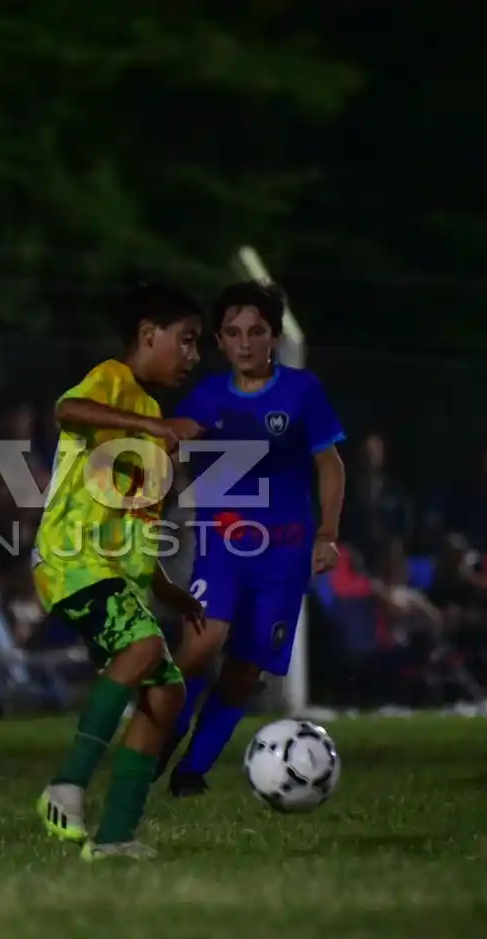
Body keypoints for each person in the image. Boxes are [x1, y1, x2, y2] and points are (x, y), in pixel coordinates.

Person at [32, 281, 207, 861]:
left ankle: (114, 839)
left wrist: (166, 589)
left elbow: (136, 523)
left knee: (168, 695)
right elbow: (67, 409)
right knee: (144, 649)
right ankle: (67, 786)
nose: (193, 356)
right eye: (186, 340)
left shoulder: (151, 416)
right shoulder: (113, 380)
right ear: (148, 334)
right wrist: (152, 430)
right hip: (72, 560)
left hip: (112, 570)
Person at [155, 281, 347, 795]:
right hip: (222, 544)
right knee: (201, 646)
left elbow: (330, 464)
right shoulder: (207, 397)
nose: (245, 343)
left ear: (275, 337)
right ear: (220, 340)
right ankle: (162, 737)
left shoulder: (302, 391)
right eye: (234, 333)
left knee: (244, 669)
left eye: (256, 331)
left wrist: (327, 533)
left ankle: (192, 771)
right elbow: (171, 450)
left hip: (285, 551)